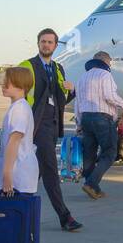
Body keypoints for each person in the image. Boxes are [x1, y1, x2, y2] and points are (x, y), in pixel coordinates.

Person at [17, 29, 82, 232]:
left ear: (55, 46)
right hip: (36, 124)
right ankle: (65, 216)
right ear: (38, 44)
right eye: (43, 41)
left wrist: (72, 91)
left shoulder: (58, 68)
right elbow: (20, 95)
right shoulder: (28, 66)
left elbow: (61, 100)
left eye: (50, 42)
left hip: (53, 125)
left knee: (32, 172)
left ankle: (12, 212)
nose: (46, 45)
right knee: (50, 171)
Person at [0, 66, 40, 243]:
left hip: (17, 174)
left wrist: (7, 175)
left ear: (19, 84)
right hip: (23, 174)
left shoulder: (18, 109)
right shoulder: (20, 107)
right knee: (24, 225)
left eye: (7, 82)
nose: (3, 85)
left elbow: (14, 142)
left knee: (12, 226)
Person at [74, 51, 123, 199]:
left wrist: (78, 123)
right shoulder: (105, 75)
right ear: (105, 61)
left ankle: (93, 187)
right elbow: (109, 96)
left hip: (86, 118)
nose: (110, 65)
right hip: (102, 118)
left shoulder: (82, 78)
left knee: (89, 154)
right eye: (110, 63)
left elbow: (77, 103)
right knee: (110, 152)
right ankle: (91, 183)